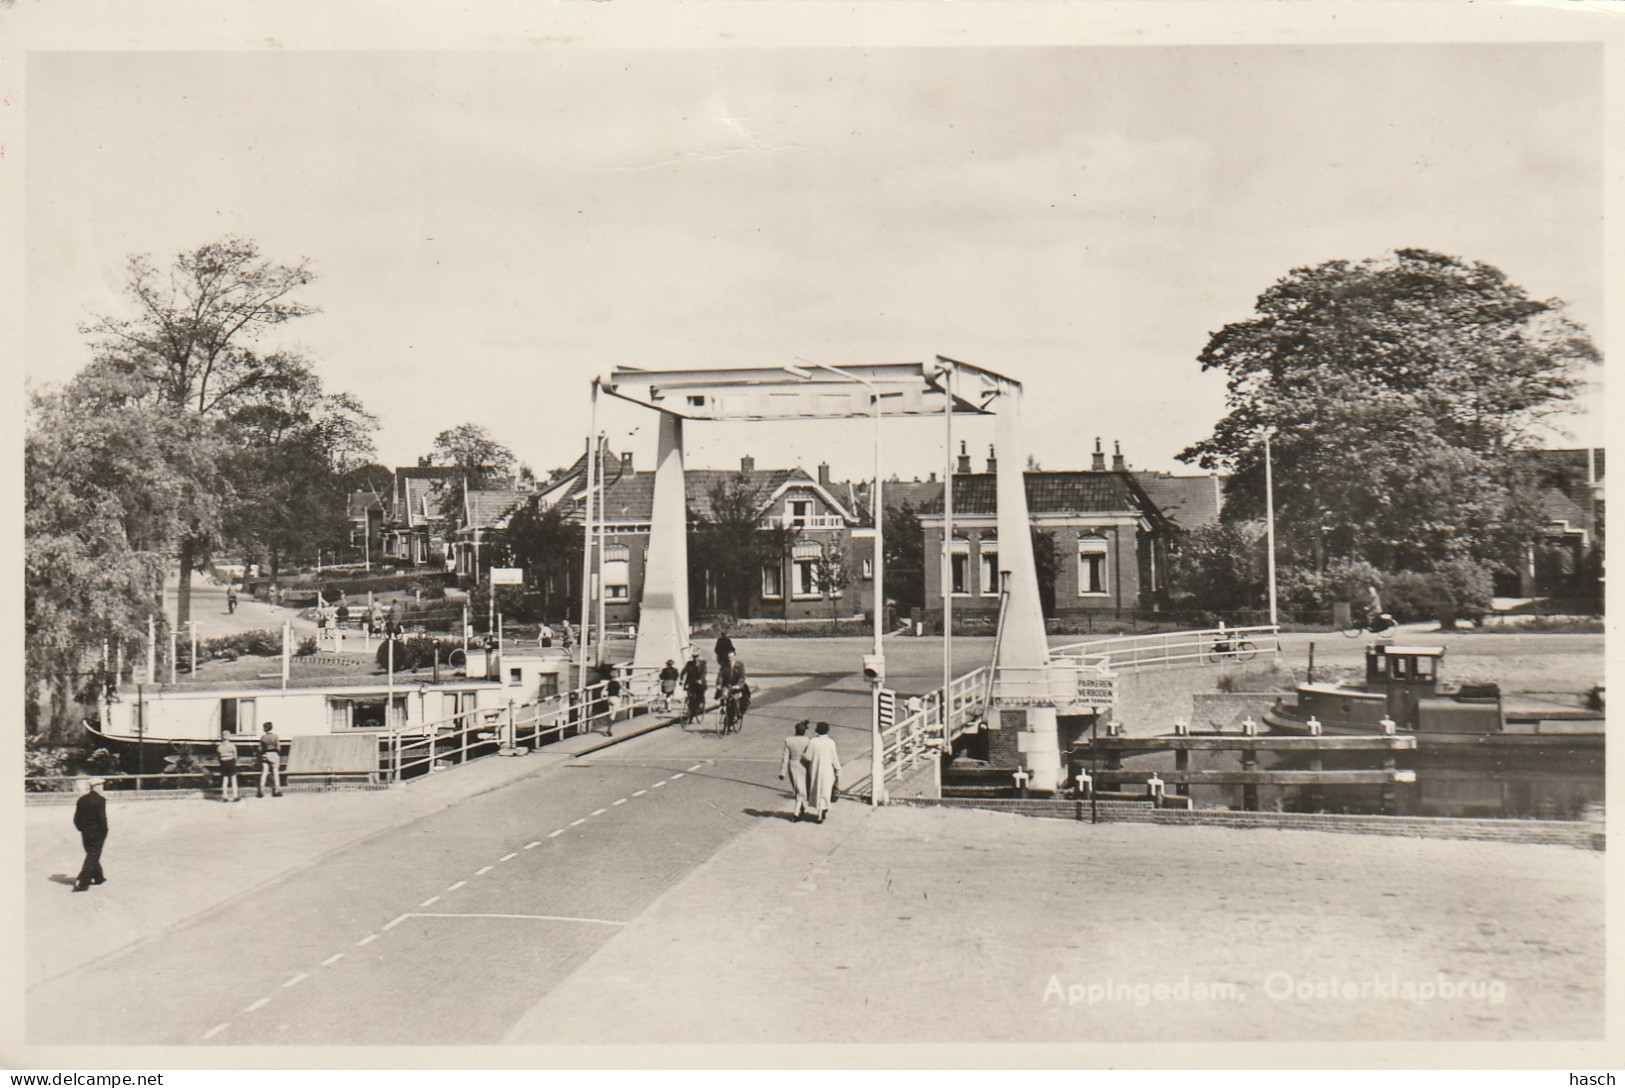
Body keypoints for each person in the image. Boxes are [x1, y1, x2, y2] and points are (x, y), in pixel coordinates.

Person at [801, 722, 842, 823]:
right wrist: (838, 769)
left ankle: (819, 811)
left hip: (815, 769)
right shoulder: (831, 742)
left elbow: (808, 757)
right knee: (826, 790)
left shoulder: (813, 742)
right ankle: (822, 811)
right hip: (828, 770)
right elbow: (834, 758)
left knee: (817, 789)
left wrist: (802, 755)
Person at [72, 777, 108, 892]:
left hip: (85, 832)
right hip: (97, 833)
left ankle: (99, 878)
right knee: (93, 856)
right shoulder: (100, 800)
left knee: (91, 854)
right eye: (101, 786)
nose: (102, 788)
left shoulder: (82, 799)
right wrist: (104, 831)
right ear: (97, 786)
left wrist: (82, 829)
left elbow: (76, 819)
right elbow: (102, 818)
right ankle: (82, 882)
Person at [779, 720, 813, 820]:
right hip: (803, 765)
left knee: (798, 788)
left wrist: (782, 772)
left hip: (792, 765)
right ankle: (796, 813)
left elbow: (785, 757)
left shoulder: (789, 740)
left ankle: (800, 808)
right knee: (801, 789)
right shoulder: (807, 740)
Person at [716, 652, 750, 725]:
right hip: (727, 686)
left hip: (736, 687)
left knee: (735, 699)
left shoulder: (739, 665)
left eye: (731, 657)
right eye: (728, 658)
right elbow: (720, 675)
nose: (729, 659)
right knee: (724, 696)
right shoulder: (724, 665)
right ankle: (723, 710)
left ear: (734, 656)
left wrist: (738, 685)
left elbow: (742, 677)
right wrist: (719, 684)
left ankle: (736, 714)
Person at [679, 650, 707, 725]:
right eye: (694, 657)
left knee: (699, 698)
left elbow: (704, 672)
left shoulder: (703, 663)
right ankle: (690, 714)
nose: (695, 658)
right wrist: (681, 680)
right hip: (691, 683)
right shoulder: (689, 664)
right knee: (690, 699)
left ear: (699, 656)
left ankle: (700, 704)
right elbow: (683, 672)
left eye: (697, 657)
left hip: (700, 684)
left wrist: (700, 679)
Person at [257, 722, 283, 798]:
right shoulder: (275, 737)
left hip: (265, 755)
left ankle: (261, 790)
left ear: (265, 729)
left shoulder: (263, 737)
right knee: (275, 772)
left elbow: (260, 748)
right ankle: (277, 790)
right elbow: (278, 748)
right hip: (274, 754)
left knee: (264, 772)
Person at [216, 731, 241, 802]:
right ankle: (235, 796)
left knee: (225, 779)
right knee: (233, 779)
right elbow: (235, 756)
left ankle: (225, 796)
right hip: (231, 762)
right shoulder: (232, 746)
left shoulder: (219, 747)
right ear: (229, 737)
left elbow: (218, 756)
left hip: (223, 763)